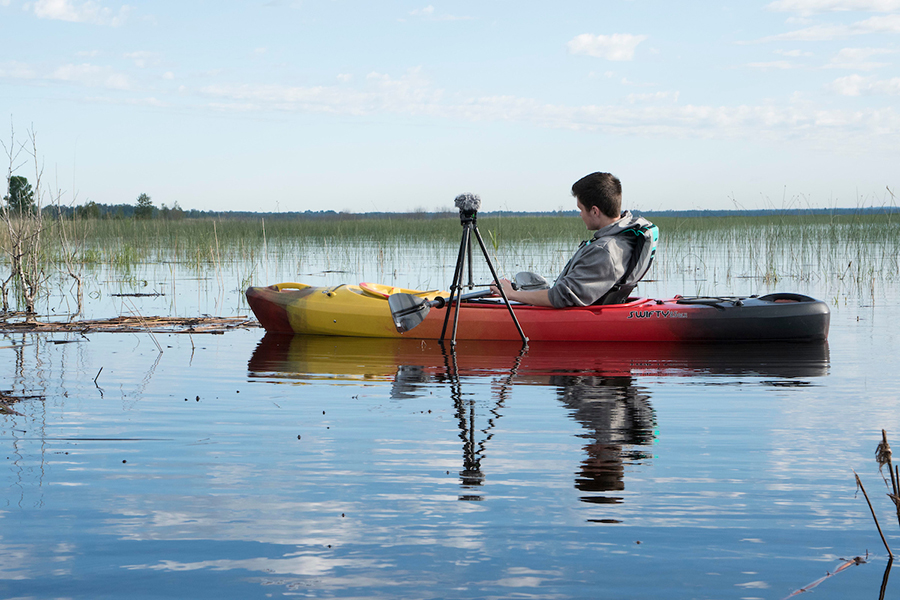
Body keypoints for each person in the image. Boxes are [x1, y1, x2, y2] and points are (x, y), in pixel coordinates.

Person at [491, 172, 656, 307]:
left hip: (576, 318)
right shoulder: (623, 237)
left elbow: (562, 297)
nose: (580, 215)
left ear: (595, 211)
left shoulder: (604, 251)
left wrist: (511, 294)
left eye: (581, 209)